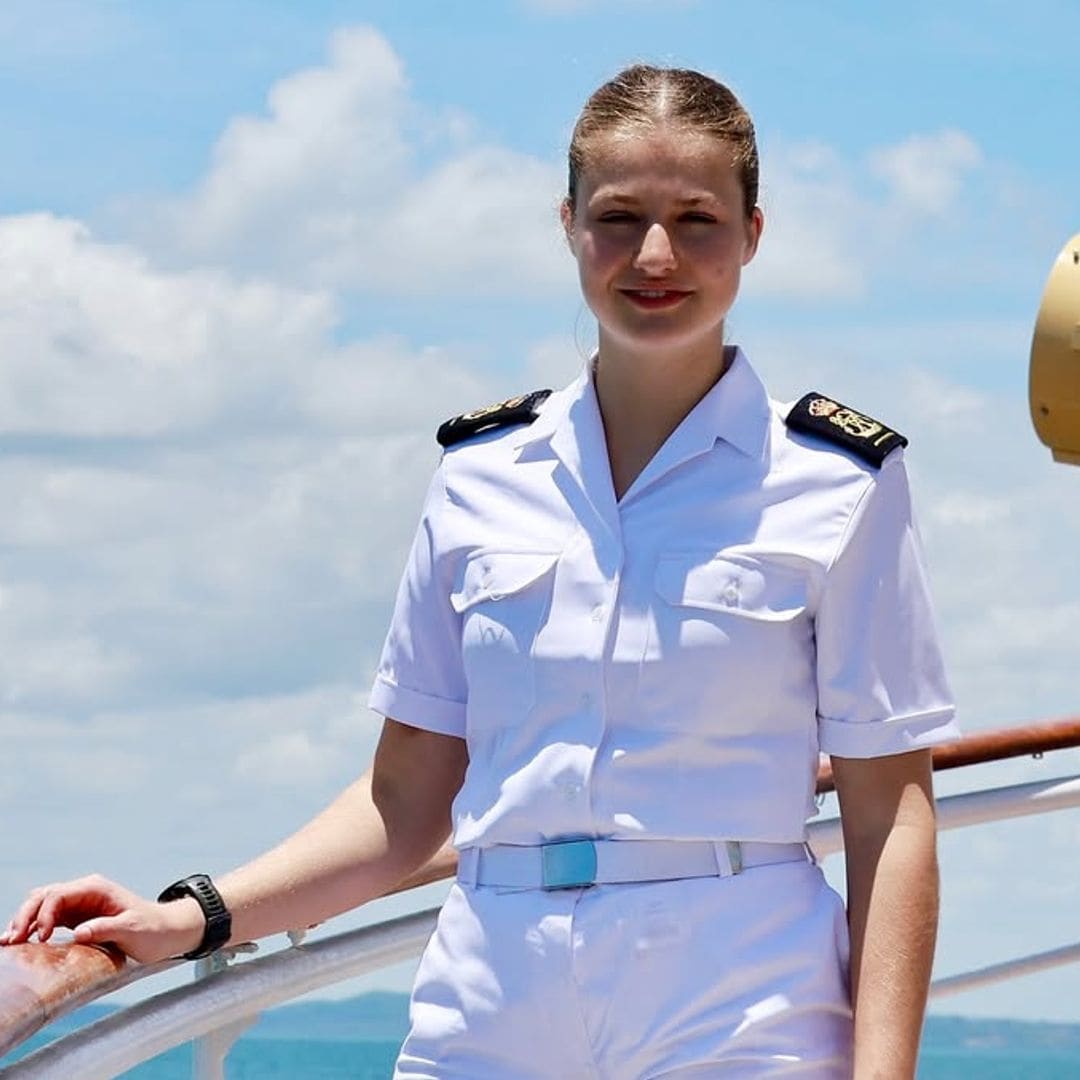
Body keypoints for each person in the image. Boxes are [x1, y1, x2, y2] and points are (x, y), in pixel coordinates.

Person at [2, 65, 957, 1077]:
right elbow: (405, 797)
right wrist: (192, 916)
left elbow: (888, 811)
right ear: (569, 226)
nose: (657, 254)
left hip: (737, 1002)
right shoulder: (479, 475)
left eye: (698, 219)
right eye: (620, 217)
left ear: (754, 234)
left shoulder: (838, 482)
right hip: (491, 1005)